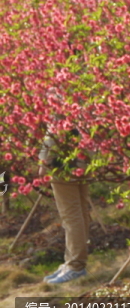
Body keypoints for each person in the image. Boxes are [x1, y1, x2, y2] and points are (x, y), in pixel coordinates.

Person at [39, 90, 90, 285]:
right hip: (83, 160)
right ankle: (74, 261)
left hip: (63, 163)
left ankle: (75, 264)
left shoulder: (59, 86)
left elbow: (55, 127)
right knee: (80, 211)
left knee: (71, 214)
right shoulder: (80, 85)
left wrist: (44, 160)